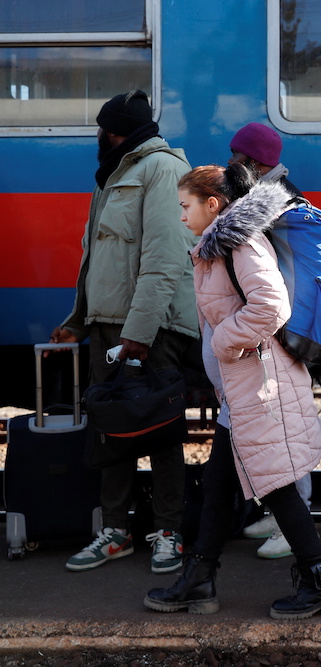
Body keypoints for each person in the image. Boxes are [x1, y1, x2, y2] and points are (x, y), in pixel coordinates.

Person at [144, 163, 321, 620]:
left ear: (212, 205)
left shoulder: (238, 243)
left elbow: (271, 306)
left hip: (259, 386)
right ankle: (200, 578)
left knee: (274, 486)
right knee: (217, 485)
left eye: (185, 206)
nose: (181, 216)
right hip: (243, 389)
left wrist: (221, 341)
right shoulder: (219, 245)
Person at [51, 90, 196, 575]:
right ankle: (115, 532)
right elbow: (96, 259)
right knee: (112, 431)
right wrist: (78, 321)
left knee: (159, 430)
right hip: (108, 327)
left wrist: (138, 331)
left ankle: (169, 531)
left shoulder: (162, 170)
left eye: (101, 129)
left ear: (112, 131)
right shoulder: (115, 174)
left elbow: (166, 257)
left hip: (147, 326)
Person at [227, 121, 309, 561]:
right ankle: (281, 516)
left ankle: (299, 520)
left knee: (289, 425)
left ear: (252, 162)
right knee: (279, 423)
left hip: (283, 329)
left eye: (235, 156)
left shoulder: (272, 201)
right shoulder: (281, 194)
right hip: (283, 326)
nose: (229, 164)